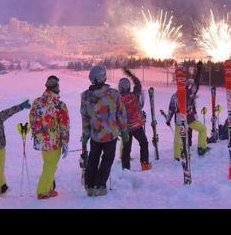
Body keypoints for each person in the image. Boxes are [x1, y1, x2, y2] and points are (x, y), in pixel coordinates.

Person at [80, 65, 128, 197]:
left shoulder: (85, 96)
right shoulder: (113, 94)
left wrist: (86, 134)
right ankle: (100, 186)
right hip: (110, 134)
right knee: (107, 159)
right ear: (103, 77)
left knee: (93, 159)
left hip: (95, 135)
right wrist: (124, 131)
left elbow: (85, 117)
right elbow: (121, 114)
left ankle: (89, 185)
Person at [29, 75, 70, 200]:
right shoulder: (59, 105)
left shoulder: (37, 102)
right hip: (53, 142)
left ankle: (49, 188)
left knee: (48, 163)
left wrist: (37, 134)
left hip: (41, 141)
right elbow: (64, 126)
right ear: (57, 87)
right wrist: (65, 142)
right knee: (51, 166)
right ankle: (42, 191)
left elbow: (31, 119)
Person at [165, 62, 210, 160]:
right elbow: (196, 84)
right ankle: (201, 148)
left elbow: (171, 110)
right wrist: (199, 71)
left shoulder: (175, 96)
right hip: (189, 119)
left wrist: (168, 120)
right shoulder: (190, 93)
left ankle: (178, 156)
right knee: (202, 129)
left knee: (178, 138)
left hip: (182, 120)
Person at [118, 68, 151, 171]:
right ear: (128, 87)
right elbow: (138, 84)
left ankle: (125, 168)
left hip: (125, 129)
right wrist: (131, 75)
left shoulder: (117, 100)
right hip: (137, 127)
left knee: (126, 149)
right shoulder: (134, 96)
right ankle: (144, 164)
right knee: (144, 143)